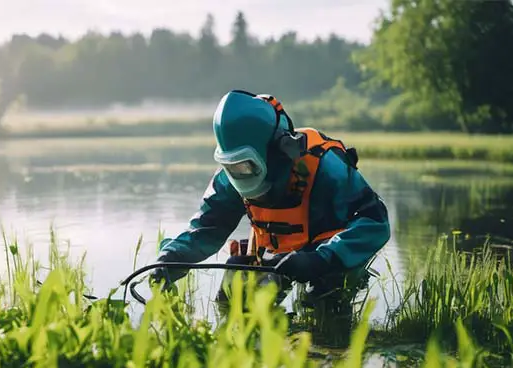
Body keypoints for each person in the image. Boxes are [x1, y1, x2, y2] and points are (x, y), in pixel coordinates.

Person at [149, 89, 391, 310]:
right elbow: (206, 227)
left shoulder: (325, 167)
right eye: (233, 167)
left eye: (248, 166)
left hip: (329, 258)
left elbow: (375, 222)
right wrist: (171, 257)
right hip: (275, 257)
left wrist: (319, 259)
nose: (241, 176)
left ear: (280, 152)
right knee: (232, 303)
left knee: (321, 304)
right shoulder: (232, 177)